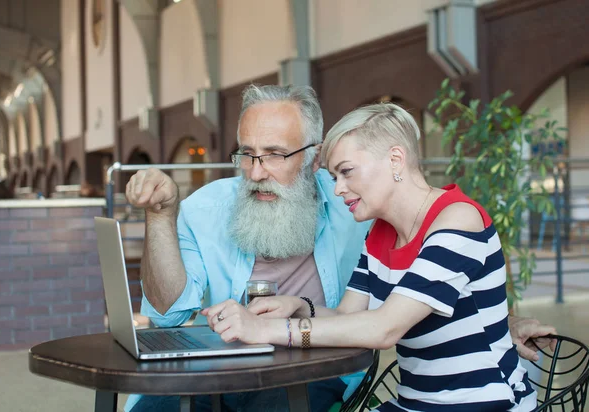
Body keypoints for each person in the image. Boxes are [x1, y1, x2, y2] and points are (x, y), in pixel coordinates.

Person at [126, 85, 555, 412]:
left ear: (394, 160)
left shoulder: (456, 218)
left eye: (346, 172)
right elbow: (354, 316)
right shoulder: (380, 231)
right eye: (335, 174)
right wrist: (299, 307)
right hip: (414, 402)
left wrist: (267, 330)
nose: (339, 188)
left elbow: (383, 329)